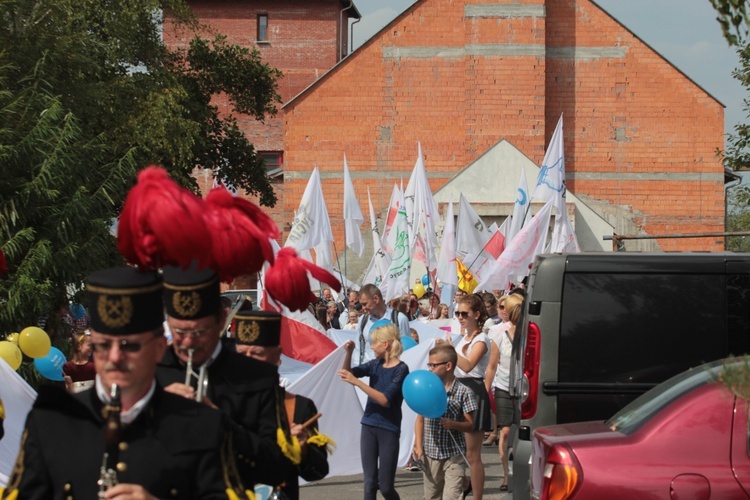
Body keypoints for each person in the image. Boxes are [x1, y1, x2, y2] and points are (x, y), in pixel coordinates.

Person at [2, 266, 242, 499]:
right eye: (104, 345)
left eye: (130, 346)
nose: (115, 357)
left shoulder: (204, 425)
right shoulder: (49, 423)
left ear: (160, 348)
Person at [156, 263, 293, 492]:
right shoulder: (152, 372)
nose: (188, 342)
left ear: (222, 319)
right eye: (179, 332)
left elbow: (277, 467)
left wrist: (221, 423)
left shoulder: (258, 376)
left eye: (199, 331)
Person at [234, 308, 330, 500]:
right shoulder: (216, 401)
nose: (248, 361)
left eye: (257, 353)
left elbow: (317, 472)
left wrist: (302, 449)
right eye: (242, 354)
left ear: (277, 357)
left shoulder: (297, 406)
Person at [339, 324, 409, 500]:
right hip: (369, 425)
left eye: (374, 343)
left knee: (385, 487)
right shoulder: (375, 364)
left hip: (388, 428)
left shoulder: (401, 369)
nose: (371, 346)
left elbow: (385, 400)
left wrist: (357, 382)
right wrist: (349, 352)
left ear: (385, 344)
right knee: (369, 484)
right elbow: (348, 373)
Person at [413, 344, 477, 500]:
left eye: (434, 365)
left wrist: (453, 424)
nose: (430, 369)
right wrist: (418, 445)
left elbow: (471, 425)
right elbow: (420, 419)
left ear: (448, 366)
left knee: (451, 496)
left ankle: (463, 483)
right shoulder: (426, 389)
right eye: (429, 365)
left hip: (453, 455)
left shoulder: (464, 392)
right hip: (431, 454)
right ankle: (465, 483)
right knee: (432, 496)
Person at [451, 294, 493, 500]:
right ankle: (465, 484)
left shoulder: (481, 339)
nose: (460, 317)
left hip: (473, 391)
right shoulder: (462, 339)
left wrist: (449, 349)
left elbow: (468, 365)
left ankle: (477, 496)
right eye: (457, 313)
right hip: (457, 390)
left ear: (477, 315)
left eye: (464, 313)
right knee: (456, 450)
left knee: (472, 454)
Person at [485, 293, 524, 492]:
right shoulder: (498, 334)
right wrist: (486, 390)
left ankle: (523, 472)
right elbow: (492, 366)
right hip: (502, 386)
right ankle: (506, 474)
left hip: (524, 388)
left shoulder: (529, 333)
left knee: (524, 432)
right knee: (506, 431)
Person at [357, 284, 411, 361]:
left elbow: (406, 348)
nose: (363, 308)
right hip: (368, 370)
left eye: (365, 304)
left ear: (376, 299)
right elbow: (359, 349)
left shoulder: (399, 319)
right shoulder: (363, 320)